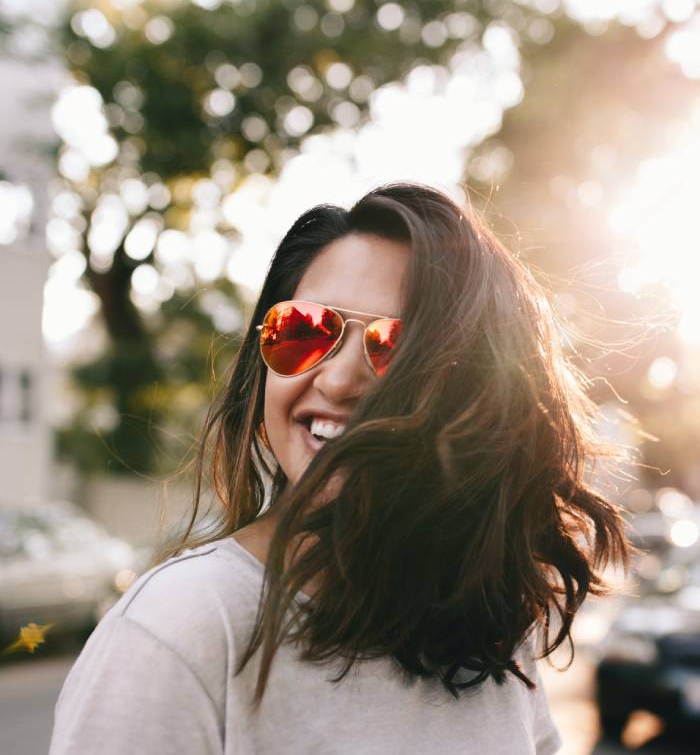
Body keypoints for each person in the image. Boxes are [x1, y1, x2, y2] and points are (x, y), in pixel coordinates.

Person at [49, 181, 630, 754]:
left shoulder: (486, 628)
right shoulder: (182, 626)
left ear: (481, 396)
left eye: (397, 348)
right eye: (304, 330)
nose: (338, 379)